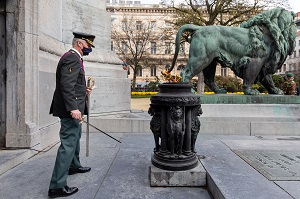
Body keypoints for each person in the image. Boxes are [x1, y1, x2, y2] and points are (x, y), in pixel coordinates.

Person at [48, 32, 95, 198]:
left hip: (74, 107)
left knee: (75, 137)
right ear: (80, 44)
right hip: (71, 109)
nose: (90, 48)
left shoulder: (75, 58)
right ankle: (57, 186)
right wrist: (73, 108)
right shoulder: (72, 58)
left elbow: (73, 84)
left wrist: (84, 89)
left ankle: (74, 166)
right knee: (68, 143)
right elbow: (66, 86)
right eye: (89, 45)